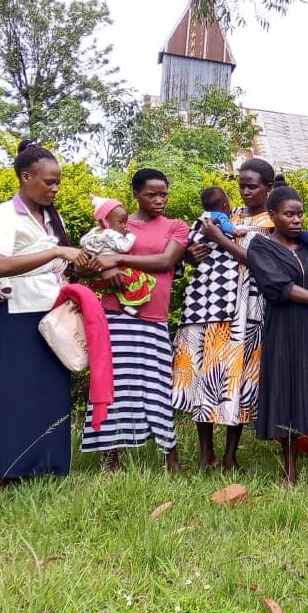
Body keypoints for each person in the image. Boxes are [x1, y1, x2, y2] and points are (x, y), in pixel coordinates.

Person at [203, 185, 308, 485]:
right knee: (287, 394)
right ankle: (289, 471)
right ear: (272, 215)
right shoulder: (261, 247)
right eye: (288, 214)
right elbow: (279, 287)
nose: (296, 220)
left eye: (300, 214)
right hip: (284, 327)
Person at [0, 141, 87, 483]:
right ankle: (8, 469)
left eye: (58, 183)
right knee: (13, 393)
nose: (54, 188)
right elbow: (2, 264)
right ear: (26, 177)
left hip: (51, 314)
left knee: (48, 392)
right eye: (48, 182)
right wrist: (57, 252)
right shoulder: (2, 215)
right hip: (16, 314)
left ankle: (46, 465)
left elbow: (58, 263)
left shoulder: (53, 218)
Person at [80, 168, 189, 473]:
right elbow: (87, 263)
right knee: (113, 386)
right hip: (115, 316)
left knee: (158, 387)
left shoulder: (176, 226)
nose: (159, 199)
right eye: (151, 194)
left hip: (154, 319)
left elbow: (166, 261)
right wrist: (103, 268)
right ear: (137, 195)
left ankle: (172, 460)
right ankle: (110, 460)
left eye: (163, 193)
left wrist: (119, 259)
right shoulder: (115, 226)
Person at [172, 165, 273, 471]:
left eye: (253, 186)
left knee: (237, 380)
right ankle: (206, 454)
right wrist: (193, 253)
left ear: (267, 186)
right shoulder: (227, 214)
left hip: (248, 309)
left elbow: (258, 261)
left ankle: (230, 455)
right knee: (203, 375)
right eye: (242, 185)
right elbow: (196, 244)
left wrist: (219, 237)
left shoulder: (272, 221)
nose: (245, 191)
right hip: (208, 305)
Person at [82, 195, 156, 316]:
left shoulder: (93, 233)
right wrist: (130, 236)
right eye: (120, 222)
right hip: (117, 273)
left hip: (98, 276)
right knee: (137, 279)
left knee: (113, 289)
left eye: (125, 223)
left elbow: (84, 245)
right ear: (106, 221)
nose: (124, 226)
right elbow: (123, 247)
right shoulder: (111, 234)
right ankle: (127, 305)